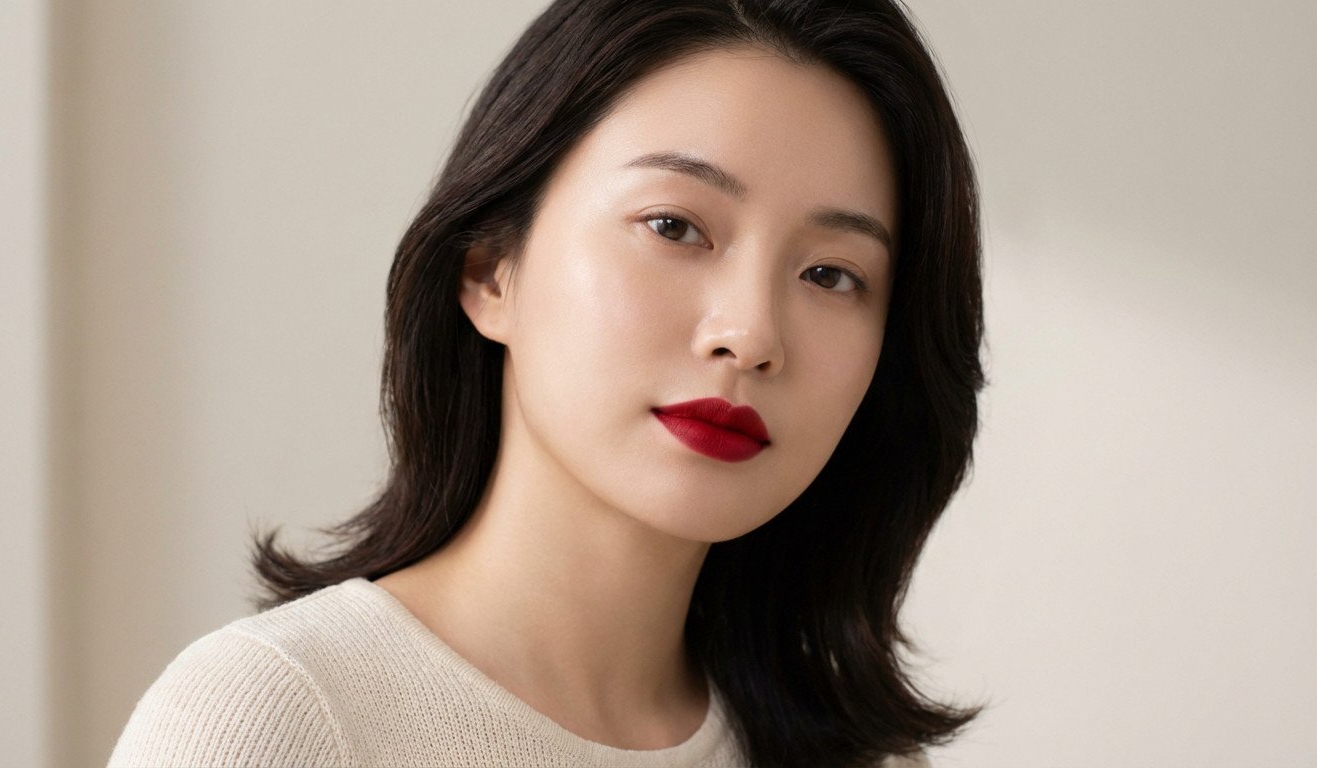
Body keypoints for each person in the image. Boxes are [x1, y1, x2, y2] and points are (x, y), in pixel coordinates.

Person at [108, 0, 984, 766]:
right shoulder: (278, 720)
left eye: (832, 275)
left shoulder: (860, 756)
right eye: (675, 226)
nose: (751, 335)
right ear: (492, 269)